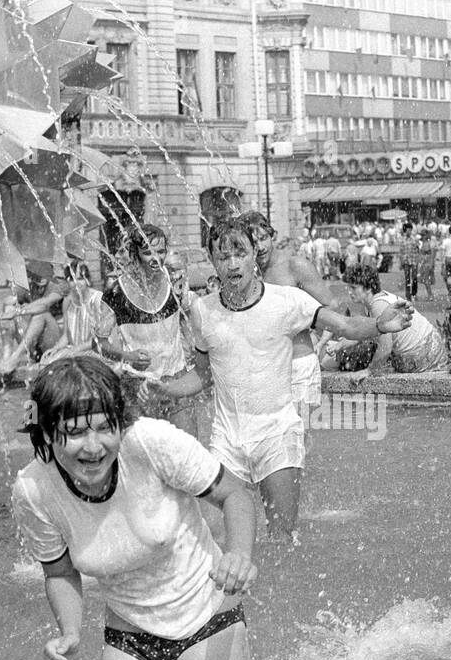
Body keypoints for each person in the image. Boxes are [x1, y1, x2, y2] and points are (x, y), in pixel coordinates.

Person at [11, 355, 258, 660]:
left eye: (104, 428)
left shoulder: (151, 443)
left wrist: (239, 554)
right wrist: (69, 632)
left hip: (208, 623)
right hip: (131, 636)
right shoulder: (34, 490)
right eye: (75, 432)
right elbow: (60, 571)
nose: (93, 447)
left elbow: (235, 495)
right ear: (46, 433)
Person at [153, 218, 413, 539]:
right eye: (223, 256)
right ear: (212, 260)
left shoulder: (287, 301)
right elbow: (203, 375)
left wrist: (379, 325)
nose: (233, 264)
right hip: (226, 442)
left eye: (240, 253)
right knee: (222, 538)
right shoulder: (202, 311)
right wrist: (165, 389)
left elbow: (344, 326)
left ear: (254, 254)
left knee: (281, 537)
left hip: (277, 435)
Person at [239, 211, 347, 443]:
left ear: (272, 236)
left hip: (299, 367)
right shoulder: (248, 274)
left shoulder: (294, 266)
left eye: (263, 238)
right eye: (253, 242)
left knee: (295, 440)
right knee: (268, 441)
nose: (260, 247)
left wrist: (320, 339)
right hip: (266, 370)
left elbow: (332, 305)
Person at [94, 224, 197, 435]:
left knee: (189, 446)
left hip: (175, 379)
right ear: (135, 254)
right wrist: (127, 356)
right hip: (136, 387)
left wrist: (194, 350)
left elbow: (189, 319)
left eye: (161, 251)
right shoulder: (116, 293)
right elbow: (98, 344)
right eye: (148, 252)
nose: (156, 258)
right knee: (143, 451)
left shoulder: (175, 281)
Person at [340, 262, 448, 377]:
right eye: (348, 287)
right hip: (431, 346)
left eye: (353, 288)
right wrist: (341, 344)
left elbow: (385, 348)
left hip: (423, 354)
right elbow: (364, 331)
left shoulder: (378, 306)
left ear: (368, 288)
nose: (349, 292)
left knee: (379, 360)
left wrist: (369, 371)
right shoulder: (374, 301)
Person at [0, 269, 68, 381]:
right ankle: (6, 357)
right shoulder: (29, 285)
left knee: (41, 314)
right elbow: (4, 301)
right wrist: (0, 313)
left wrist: (18, 311)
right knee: (8, 309)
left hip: (55, 344)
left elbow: (45, 304)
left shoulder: (59, 284)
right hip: (34, 344)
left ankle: (15, 359)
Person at [399, 223, 421, 301]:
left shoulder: (415, 239)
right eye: (407, 230)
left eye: (410, 230)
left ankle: (414, 293)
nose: (409, 231)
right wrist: (401, 262)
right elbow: (401, 252)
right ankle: (408, 294)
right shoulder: (402, 240)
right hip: (406, 261)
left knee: (414, 278)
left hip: (414, 260)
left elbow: (418, 250)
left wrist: (418, 260)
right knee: (407, 278)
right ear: (405, 230)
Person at [417, 229, 437, 303]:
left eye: (423, 235)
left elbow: (432, 254)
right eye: (422, 235)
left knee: (426, 280)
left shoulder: (429, 243)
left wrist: (431, 264)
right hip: (424, 263)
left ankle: (430, 295)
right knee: (425, 280)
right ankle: (430, 295)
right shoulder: (424, 243)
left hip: (427, 263)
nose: (422, 236)